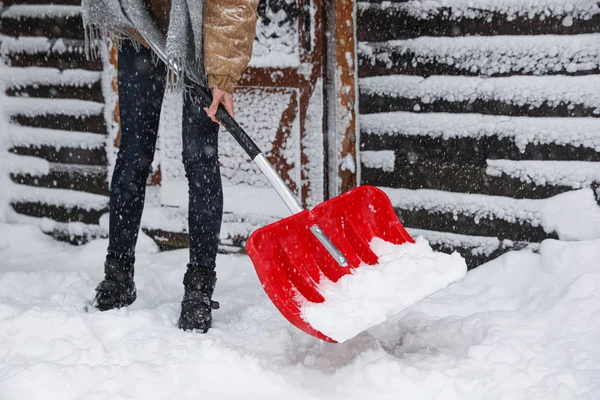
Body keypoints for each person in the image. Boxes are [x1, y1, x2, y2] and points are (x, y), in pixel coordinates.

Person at [89, 0, 260, 333]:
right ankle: (118, 276)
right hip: (141, 26)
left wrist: (223, 77)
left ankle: (199, 288)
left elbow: (235, 5)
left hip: (200, 36)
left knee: (200, 158)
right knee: (134, 151)